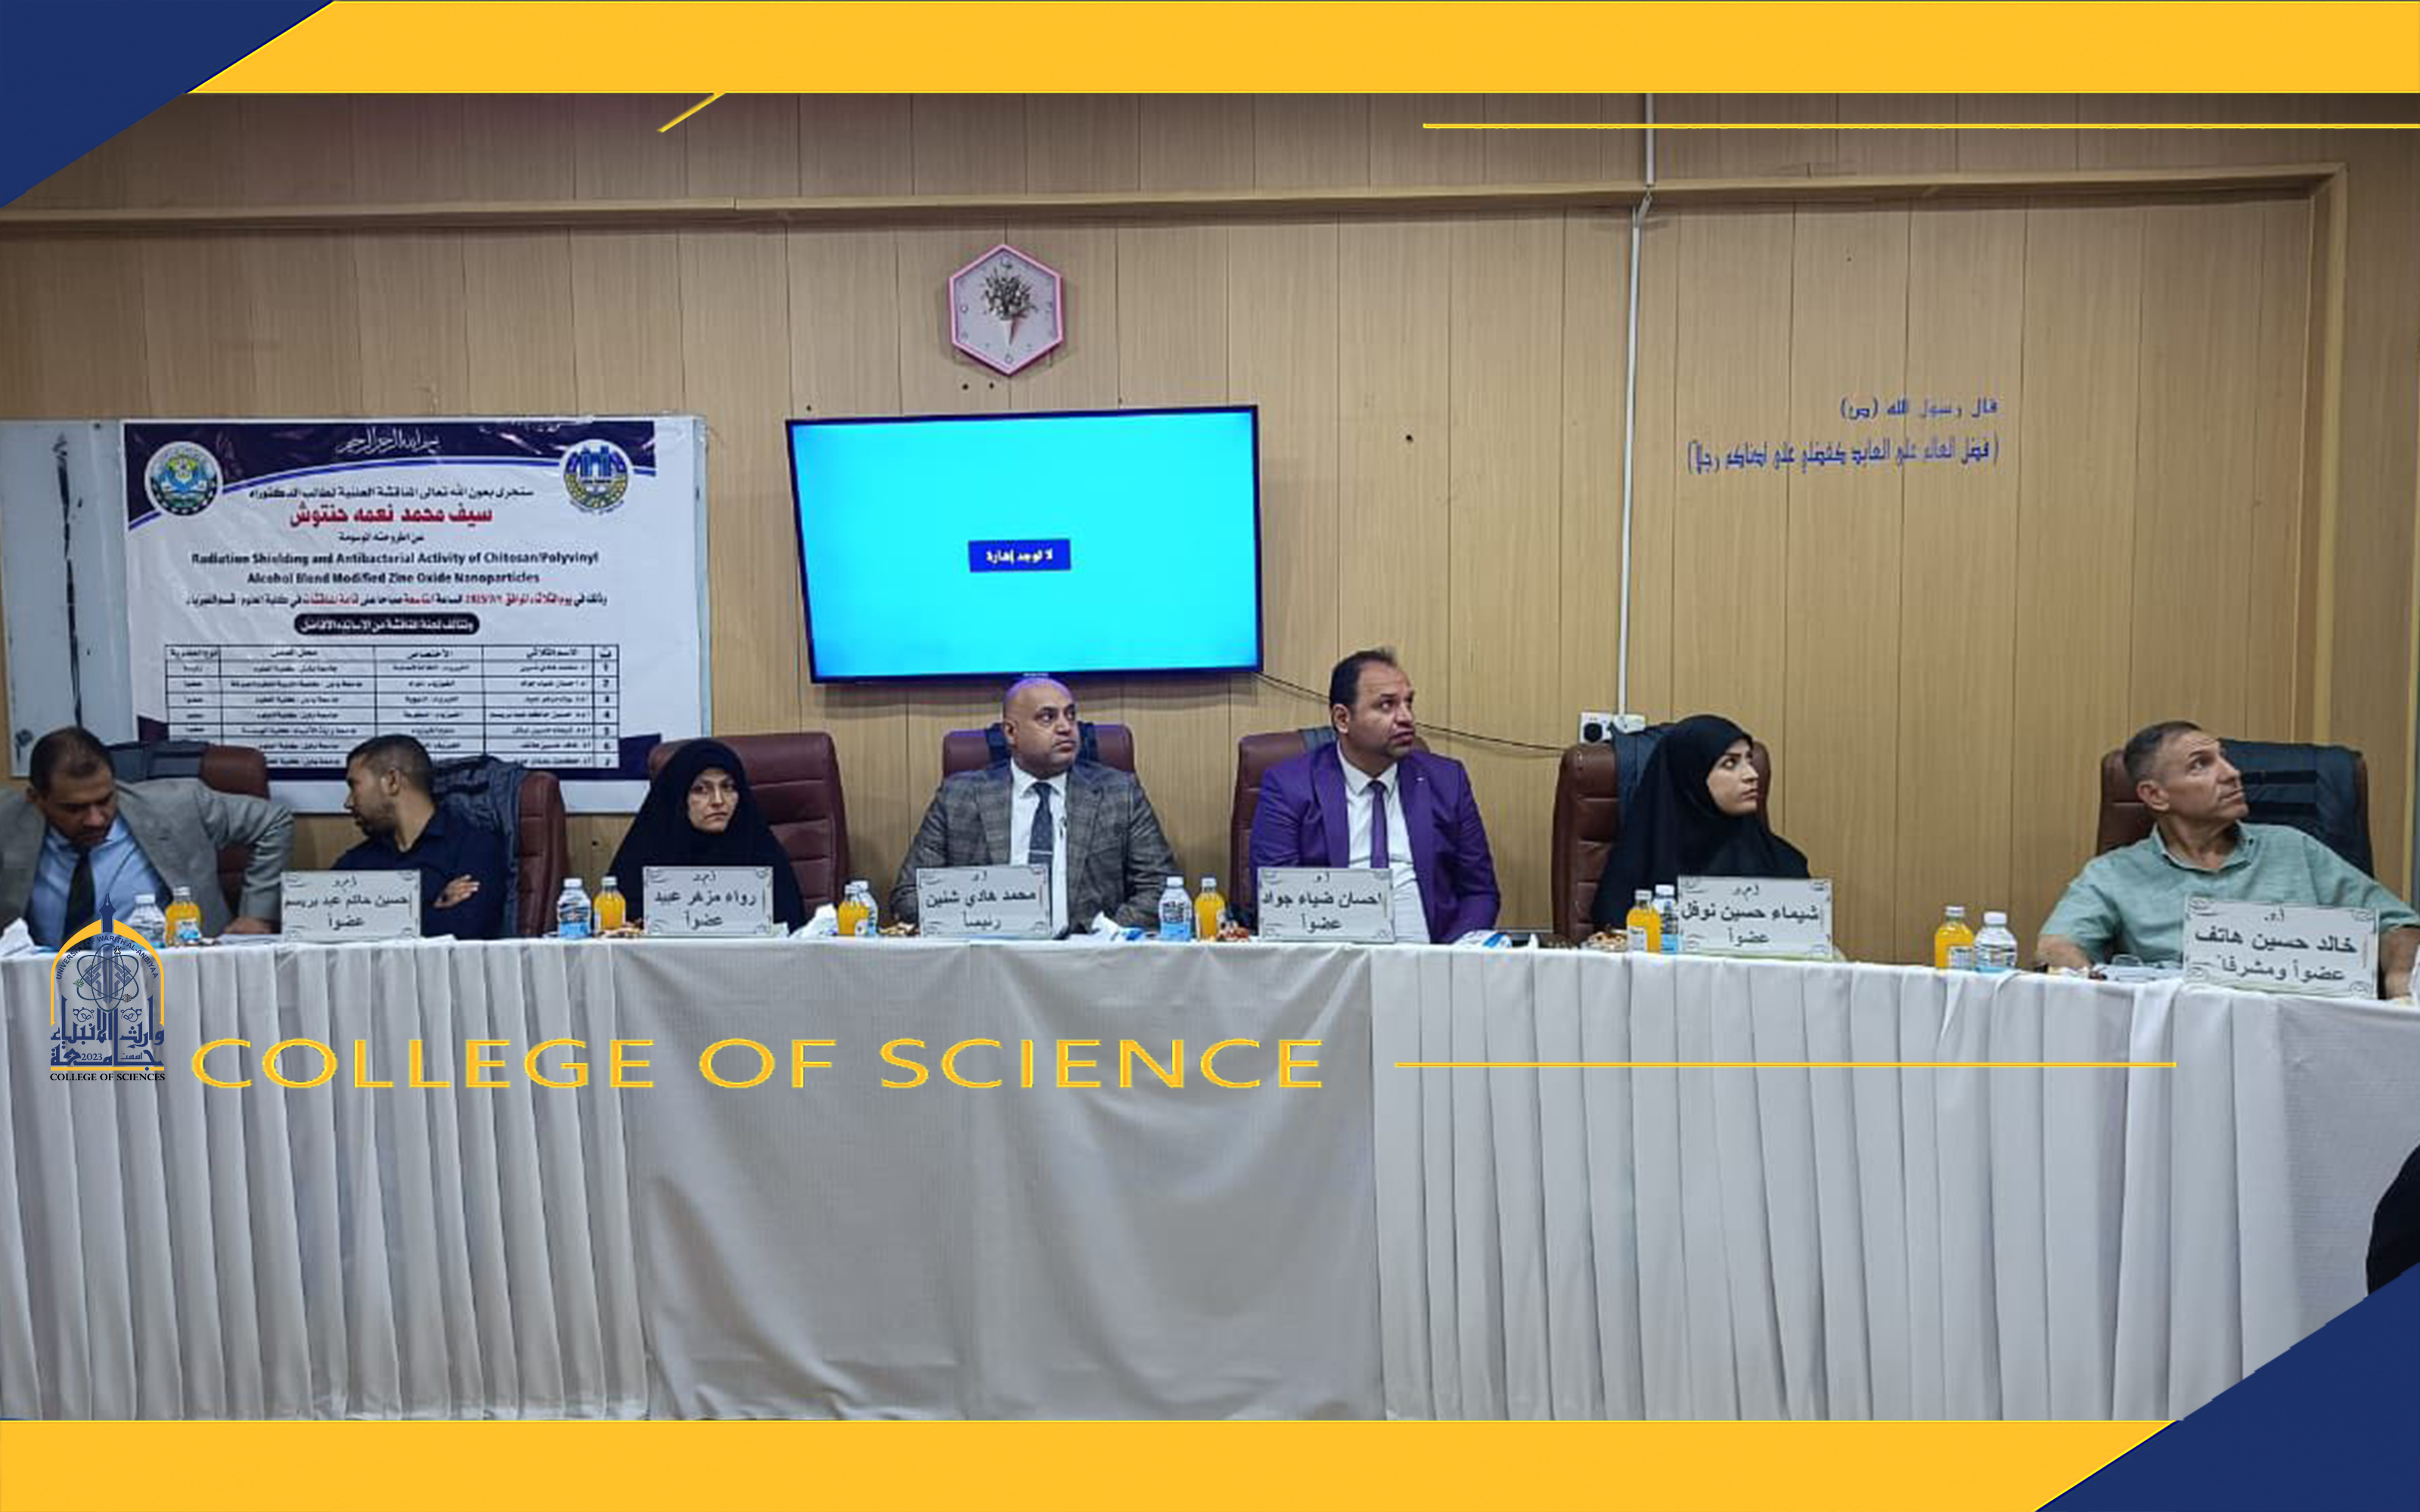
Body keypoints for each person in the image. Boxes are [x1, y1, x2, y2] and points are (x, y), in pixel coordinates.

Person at [2038, 720, 2420, 996]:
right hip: (2183, 1041)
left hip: (2303, 1036)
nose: (2233, 773)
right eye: (2200, 764)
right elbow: (2056, 946)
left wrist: (2400, 983)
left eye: (2223, 758)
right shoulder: (2114, 874)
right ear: (2155, 795)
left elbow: (2399, 926)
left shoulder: (2295, 849)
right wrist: (2090, 986)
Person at [889, 676, 1180, 934]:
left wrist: (1103, 935)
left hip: (1090, 959)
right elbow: (908, 896)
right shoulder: (958, 797)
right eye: (1047, 718)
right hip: (991, 959)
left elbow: (1162, 890)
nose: (1066, 727)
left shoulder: (1120, 793)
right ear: (1011, 733)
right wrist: (979, 925)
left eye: (1071, 715)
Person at [1249, 649, 1500, 943]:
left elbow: (1479, 892)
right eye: (1386, 705)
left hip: (1432, 956)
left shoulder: (1447, 781)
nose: (1406, 717)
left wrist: (1450, 957)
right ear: (1343, 719)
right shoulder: (1289, 786)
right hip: (1335, 959)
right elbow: (1278, 900)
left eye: (1408, 702)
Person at [0, 725, 294, 946]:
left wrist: (257, 914)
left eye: (105, 800)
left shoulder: (177, 805)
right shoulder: (9, 819)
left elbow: (274, 821)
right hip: (45, 983)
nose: (95, 819)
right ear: (36, 799)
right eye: (74, 809)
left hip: (167, 975)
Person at [1588, 714, 1808, 932]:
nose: (1752, 774)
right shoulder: (1637, 871)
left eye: (1749, 760)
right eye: (1730, 763)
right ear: (1692, 777)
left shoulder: (1786, 865)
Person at [609, 739, 808, 931]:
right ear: (679, 797)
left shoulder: (762, 853)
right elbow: (618, 930)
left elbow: (791, 933)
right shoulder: (645, 854)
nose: (719, 801)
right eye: (701, 790)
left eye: (728, 787)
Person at [334, 733, 511, 940]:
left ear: (392, 781)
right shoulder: (356, 863)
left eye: (354, 786)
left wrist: (374, 919)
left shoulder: (473, 848)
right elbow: (321, 922)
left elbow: (466, 931)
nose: (348, 802)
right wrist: (430, 908)